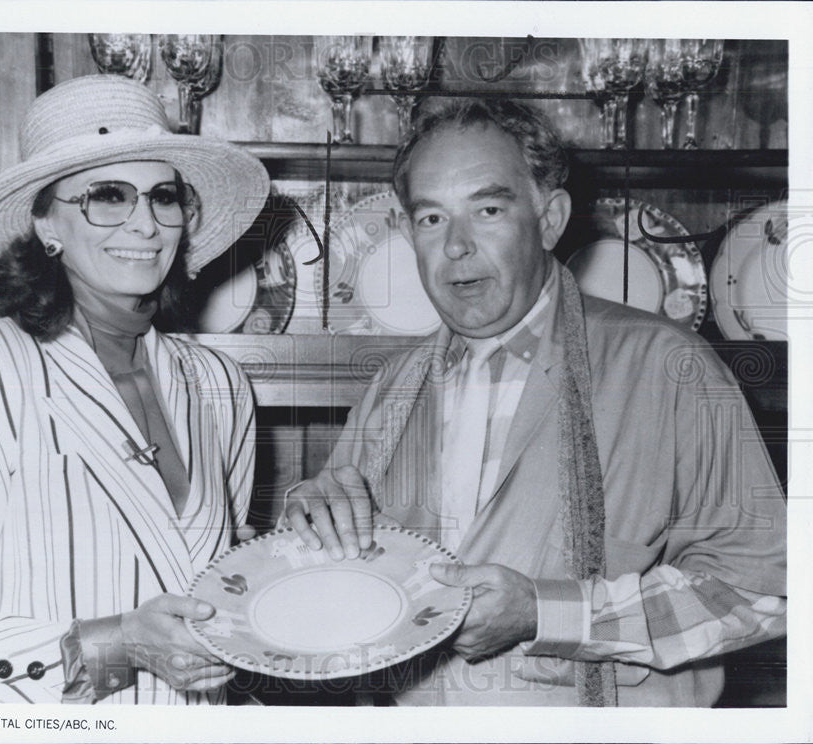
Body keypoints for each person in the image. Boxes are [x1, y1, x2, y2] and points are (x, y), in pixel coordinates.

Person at [284, 98, 786, 706]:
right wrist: (310, 525)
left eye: (488, 209)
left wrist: (551, 615)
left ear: (549, 219)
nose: (457, 248)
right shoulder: (392, 386)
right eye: (431, 219)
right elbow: (341, 595)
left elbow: (767, 593)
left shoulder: (669, 368)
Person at [0, 75, 270, 704]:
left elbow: (222, 591)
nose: (145, 224)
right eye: (108, 196)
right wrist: (121, 645)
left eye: (163, 197)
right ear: (45, 223)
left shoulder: (219, 384)